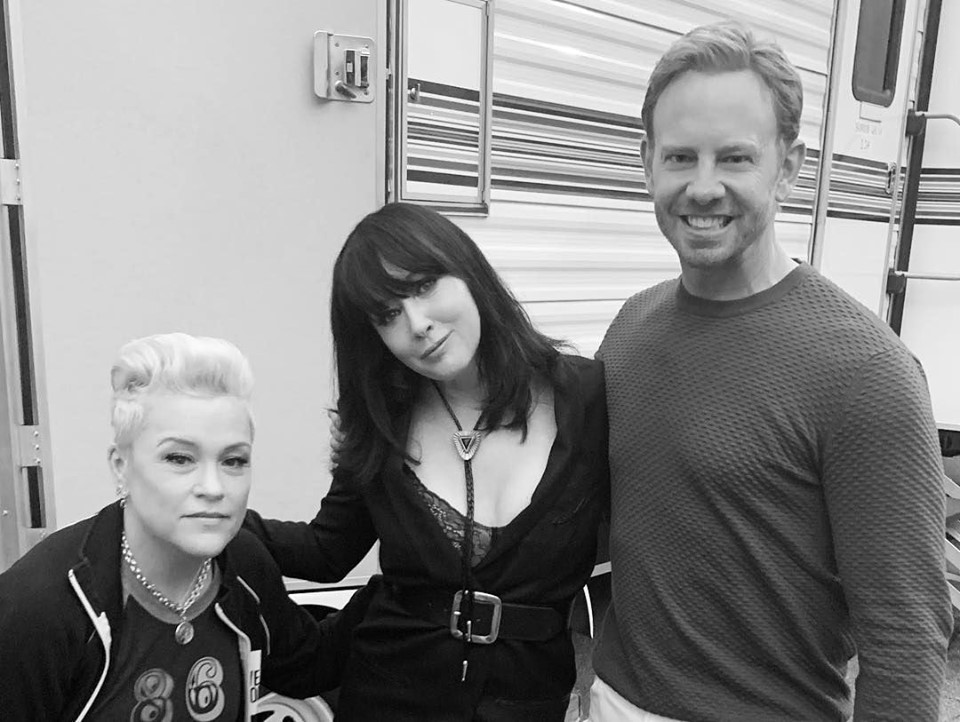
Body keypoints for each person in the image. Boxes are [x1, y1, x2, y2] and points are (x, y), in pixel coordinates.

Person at [590, 20, 952, 722]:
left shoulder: (866, 372)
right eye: (680, 157)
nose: (702, 188)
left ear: (788, 166)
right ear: (647, 163)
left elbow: (907, 636)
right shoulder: (631, 329)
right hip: (613, 701)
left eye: (735, 158)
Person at [244, 202, 609, 720]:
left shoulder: (588, 398)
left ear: (469, 272)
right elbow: (326, 551)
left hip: (528, 701)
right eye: (387, 315)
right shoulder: (380, 423)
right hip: (388, 693)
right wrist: (220, 519)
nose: (416, 324)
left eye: (424, 285)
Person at [0, 332, 368, 721]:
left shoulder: (243, 562)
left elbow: (308, 665)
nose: (213, 487)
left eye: (233, 461)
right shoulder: (38, 609)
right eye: (179, 458)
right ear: (121, 467)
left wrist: (403, 564)